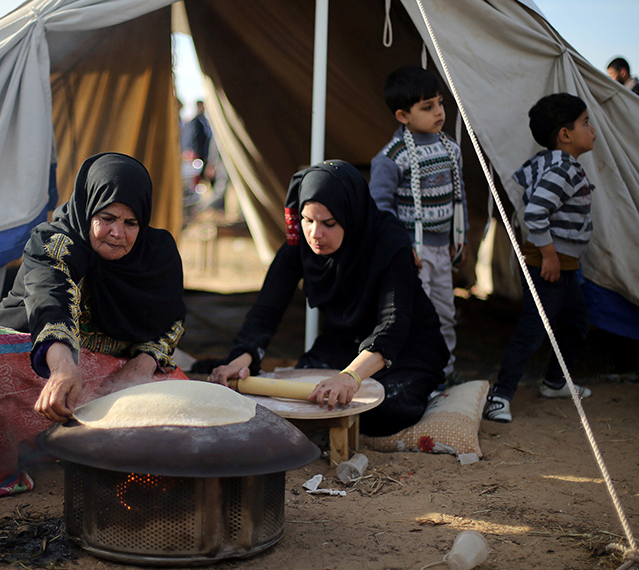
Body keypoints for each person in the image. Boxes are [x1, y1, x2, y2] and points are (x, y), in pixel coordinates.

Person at [0, 153, 188, 498]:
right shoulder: (54, 241)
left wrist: (141, 366)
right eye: (107, 218)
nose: (118, 233)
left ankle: (108, 454)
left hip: (117, 371)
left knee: (181, 387)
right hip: (46, 365)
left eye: (131, 223)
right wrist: (61, 368)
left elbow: (172, 318)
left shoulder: (158, 252)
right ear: (89, 210)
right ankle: (12, 464)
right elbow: (49, 299)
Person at [209, 160, 449, 437]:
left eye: (329, 223)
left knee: (385, 411)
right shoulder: (301, 244)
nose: (315, 234)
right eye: (307, 220)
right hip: (344, 342)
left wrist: (351, 377)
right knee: (301, 401)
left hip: (406, 350)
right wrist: (243, 357)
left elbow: (393, 323)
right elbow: (266, 310)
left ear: (351, 215)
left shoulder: (389, 242)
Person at [484, 93, 596, 423]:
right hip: (550, 264)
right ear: (565, 135)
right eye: (585, 123)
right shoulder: (564, 168)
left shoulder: (545, 162)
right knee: (533, 331)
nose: (592, 130)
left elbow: (523, 183)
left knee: (576, 321)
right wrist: (548, 255)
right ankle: (500, 396)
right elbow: (534, 213)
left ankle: (554, 382)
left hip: (563, 265)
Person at [369, 65, 468, 385]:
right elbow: (381, 208)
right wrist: (402, 247)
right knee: (413, 316)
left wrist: (459, 238)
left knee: (445, 313)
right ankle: (413, 373)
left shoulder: (450, 148)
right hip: (413, 254)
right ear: (403, 116)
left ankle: (444, 372)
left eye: (440, 103)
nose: (439, 112)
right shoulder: (391, 157)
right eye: (428, 107)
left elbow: (458, 195)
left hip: (443, 249)